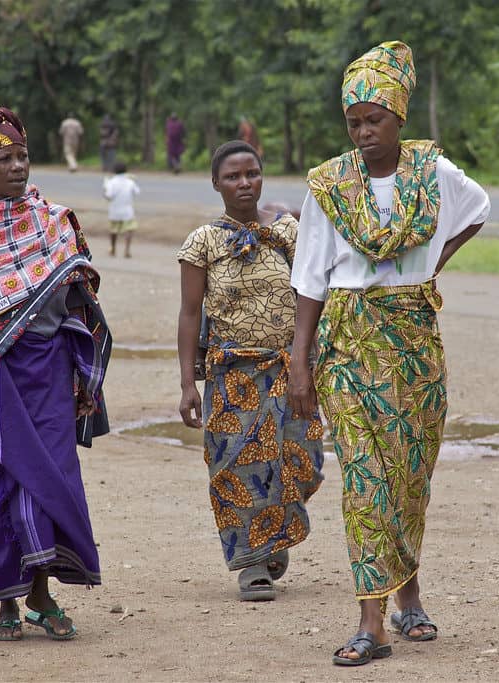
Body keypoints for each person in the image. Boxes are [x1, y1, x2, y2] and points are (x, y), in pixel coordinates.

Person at [287, 41, 490, 666]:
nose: (363, 132)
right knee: (365, 477)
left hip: (414, 343)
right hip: (348, 342)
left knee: (409, 477)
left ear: (400, 116)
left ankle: (409, 596)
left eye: (374, 119)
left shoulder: (434, 176)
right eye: (353, 122)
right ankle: (370, 623)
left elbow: (479, 210)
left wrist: (429, 269)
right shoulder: (330, 185)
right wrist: (299, 361)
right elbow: (309, 275)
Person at [0, 107, 112, 643]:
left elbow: (81, 297)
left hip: (48, 373)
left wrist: (82, 371)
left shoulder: (56, 221)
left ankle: (41, 596)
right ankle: (5, 601)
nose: (17, 167)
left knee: (48, 479)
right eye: (3, 158)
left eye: (23, 156)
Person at [177, 140, 325, 602]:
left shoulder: (291, 234)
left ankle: (274, 533)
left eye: (252, 174)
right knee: (237, 468)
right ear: (216, 184)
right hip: (232, 375)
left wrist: (308, 360)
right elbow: (188, 313)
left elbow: (312, 297)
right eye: (233, 176)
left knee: (302, 462)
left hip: (290, 367)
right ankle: (252, 564)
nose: (245, 183)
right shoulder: (202, 242)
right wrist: (187, 383)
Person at [103, 161, 140, 258]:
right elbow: (137, 192)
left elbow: (108, 196)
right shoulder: (130, 181)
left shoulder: (111, 182)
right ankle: (127, 250)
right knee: (129, 230)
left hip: (114, 211)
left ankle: (113, 248)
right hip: (127, 211)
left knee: (113, 231)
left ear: (114, 171)